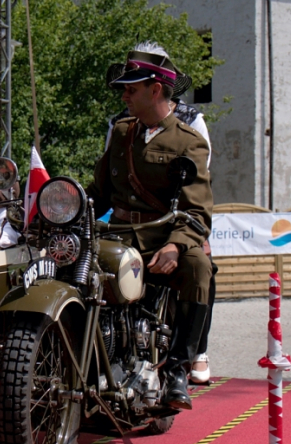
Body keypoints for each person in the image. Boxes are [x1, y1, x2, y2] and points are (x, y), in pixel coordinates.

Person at [87, 42, 213, 410]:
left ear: (155, 89)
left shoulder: (189, 142)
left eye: (131, 89)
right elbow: (100, 193)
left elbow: (197, 213)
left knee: (199, 267)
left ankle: (177, 368)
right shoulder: (123, 133)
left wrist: (176, 246)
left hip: (162, 240)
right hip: (119, 238)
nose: (124, 96)